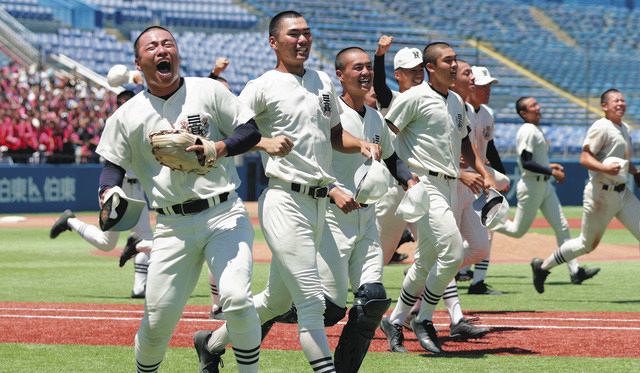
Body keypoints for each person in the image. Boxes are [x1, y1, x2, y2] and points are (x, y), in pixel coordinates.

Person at [95, 26, 285, 373]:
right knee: (157, 324)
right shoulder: (126, 115)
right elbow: (112, 167)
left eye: (168, 43)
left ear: (177, 53)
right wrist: (109, 192)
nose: (162, 49)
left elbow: (250, 129)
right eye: (152, 47)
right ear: (139, 62)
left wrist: (220, 146)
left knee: (237, 299)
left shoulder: (208, 90)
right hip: (171, 224)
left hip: (223, 212)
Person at [200, 11, 379, 373]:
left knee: (273, 301)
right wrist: (264, 142)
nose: (302, 41)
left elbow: (332, 136)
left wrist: (359, 142)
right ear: (273, 42)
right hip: (284, 200)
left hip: (319, 205)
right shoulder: (261, 86)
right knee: (312, 301)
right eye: (294, 34)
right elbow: (234, 133)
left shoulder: (323, 82)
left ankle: (212, 342)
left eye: (307, 34)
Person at [379, 42, 495, 354]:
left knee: (426, 260)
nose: (454, 65)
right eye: (448, 60)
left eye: (455, 59)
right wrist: (402, 173)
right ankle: (425, 318)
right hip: (425, 185)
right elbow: (386, 133)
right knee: (454, 252)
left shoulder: (457, 101)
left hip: (449, 185)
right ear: (431, 67)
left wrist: (481, 169)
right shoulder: (413, 97)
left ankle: (396, 319)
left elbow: (465, 143)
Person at [531, 89, 640, 293]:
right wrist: (605, 168)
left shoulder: (624, 128)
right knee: (586, 244)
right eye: (616, 100)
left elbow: (623, 161)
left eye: (623, 100)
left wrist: (635, 172)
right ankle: (542, 267)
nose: (621, 103)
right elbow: (585, 158)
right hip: (601, 195)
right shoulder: (601, 127)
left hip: (623, 193)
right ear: (604, 106)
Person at [49, 89, 152, 299]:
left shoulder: (144, 120)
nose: (125, 104)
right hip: (118, 188)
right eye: (121, 101)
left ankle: (140, 287)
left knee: (144, 237)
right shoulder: (116, 123)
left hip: (137, 188)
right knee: (108, 244)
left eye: (128, 100)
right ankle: (70, 222)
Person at [493, 96, 599, 287]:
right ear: (523, 113)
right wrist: (551, 171)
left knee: (562, 227)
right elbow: (526, 162)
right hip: (532, 186)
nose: (538, 107)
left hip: (544, 185)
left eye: (537, 103)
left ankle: (575, 271)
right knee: (517, 231)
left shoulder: (535, 129)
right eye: (533, 105)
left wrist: (549, 166)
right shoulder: (527, 129)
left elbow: (533, 160)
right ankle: (489, 222)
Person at [372, 35, 424, 265]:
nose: (417, 73)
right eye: (411, 69)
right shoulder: (391, 99)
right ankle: (361, 288)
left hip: (419, 182)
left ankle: (418, 296)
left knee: (435, 243)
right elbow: (379, 86)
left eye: (420, 68)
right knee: (380, 252)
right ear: (398, 74)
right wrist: (380, 55)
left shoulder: (430, 101)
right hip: (392, 185)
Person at [461, 65, 510, 295]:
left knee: (487, 227)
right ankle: (459, 274)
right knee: (468, 231)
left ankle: (477, 280)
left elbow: (490, 149)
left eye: (489, 85)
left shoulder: (487, 114)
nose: (487, 89)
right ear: (471, 87)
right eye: (483, 86)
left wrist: (497, 176)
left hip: (480, 176)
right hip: (465, 177)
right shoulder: (464, 110)